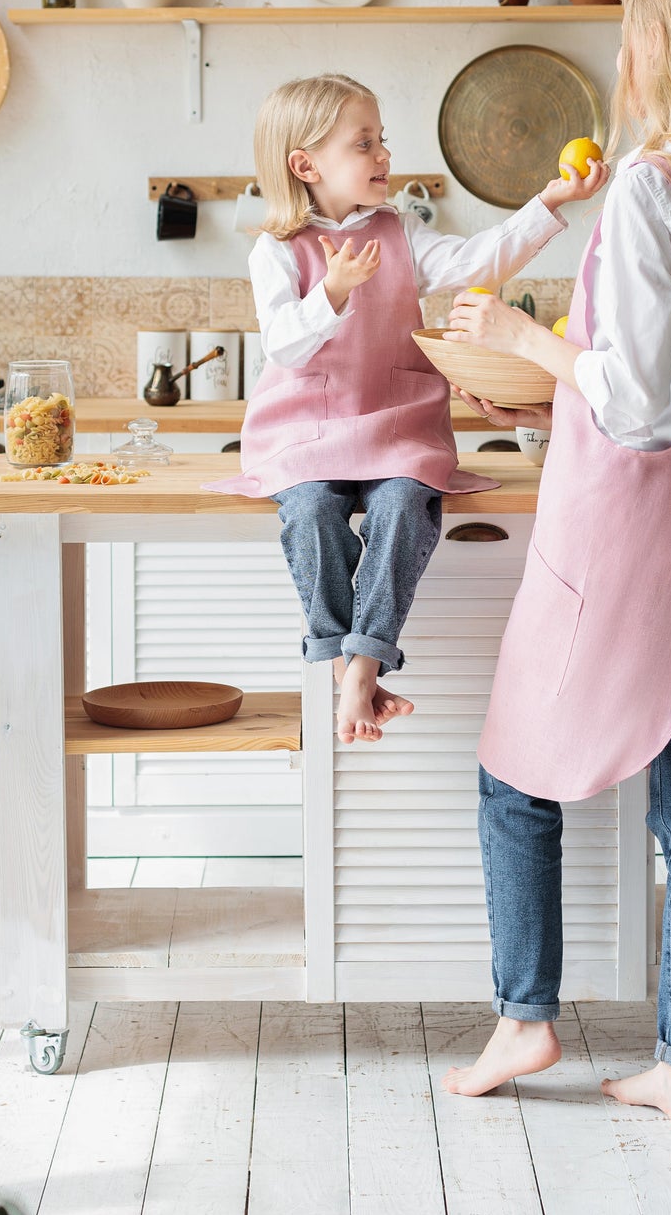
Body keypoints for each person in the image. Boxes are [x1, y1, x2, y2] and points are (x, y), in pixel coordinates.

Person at [441, 0, 671, 1127]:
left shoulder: (649, 186)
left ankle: (524, 1012)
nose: (620, 57)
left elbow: (641, 403)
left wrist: (518, 337)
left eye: (631, 35)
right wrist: (546, 383)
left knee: (510, 771)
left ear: (665, 52)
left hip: (624, 551)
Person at [206, 73, 604, 744]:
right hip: (304, 434)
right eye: (363, 143)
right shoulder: (274, 249)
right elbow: (283, 346)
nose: (383, 155)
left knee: (401, 506)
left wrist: (549, 200)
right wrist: (330, 289)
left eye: (380, 139)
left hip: (397, 431)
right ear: (304, 164)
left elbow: (482, 257)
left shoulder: (402, 232)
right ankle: (342, 657)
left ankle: (362, 660)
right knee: (309, 511)